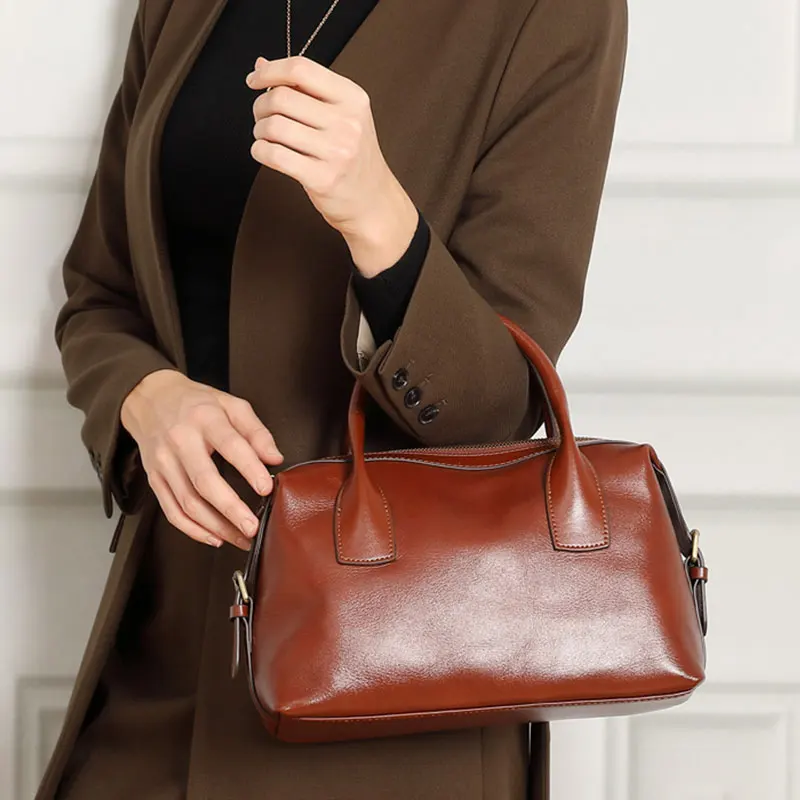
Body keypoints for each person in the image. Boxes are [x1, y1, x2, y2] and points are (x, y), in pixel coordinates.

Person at [37, 0, 627, 797]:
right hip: (165, 649)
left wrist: (379, 218)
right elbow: (98, 293)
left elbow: (498, 406)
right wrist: (147, 396)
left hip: (384, 686)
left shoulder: (553, 13)